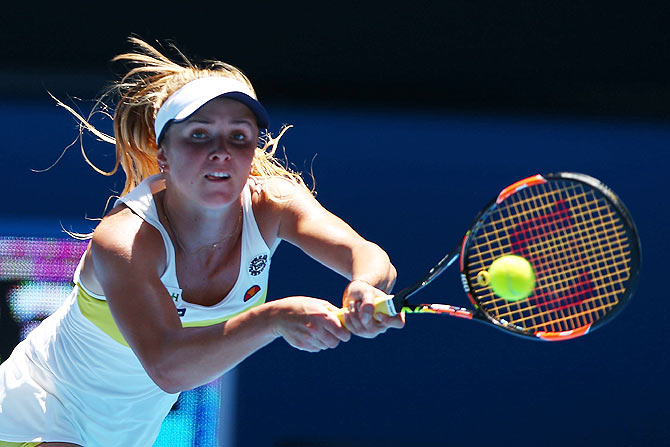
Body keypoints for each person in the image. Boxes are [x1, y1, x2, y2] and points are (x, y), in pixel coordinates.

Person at [0, 37, 404, 446]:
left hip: (126, 433)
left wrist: (364, 286)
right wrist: (273, 318)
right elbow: (169, 366)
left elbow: (368, 256)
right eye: (199, 135)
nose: (221, 152)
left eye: (239, 137)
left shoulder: (274, 204)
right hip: (34, 410)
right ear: (163, 154)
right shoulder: (125, 238)